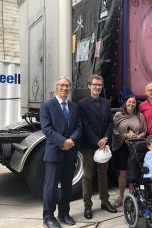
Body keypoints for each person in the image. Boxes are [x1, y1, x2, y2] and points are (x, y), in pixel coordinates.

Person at [40, 77, 81, 228]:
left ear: (70, 89)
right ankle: (48, 217)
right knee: (50, 188)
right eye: (62, 85)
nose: (65, 88)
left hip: (70, 153)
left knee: (67, 186)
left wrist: (71, 141)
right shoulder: (47, 105)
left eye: (67, 86)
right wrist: (63, 142)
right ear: (57, 87)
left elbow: (78, 126)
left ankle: (64, 213)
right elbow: (47, 129)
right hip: (54, 152)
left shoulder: (74, 106)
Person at [78, 74, 117, 220]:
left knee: (103, 174)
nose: (97, 87)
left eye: (99, 85)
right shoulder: (82, 104)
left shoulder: (106, 103)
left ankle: (105, 202)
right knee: (87, 176)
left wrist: (106, 138)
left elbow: (109, 122)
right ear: (89, 86)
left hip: (103, 145)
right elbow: (84, 125)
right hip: (89, 145)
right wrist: (96, 140)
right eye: (94, 84)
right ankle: (87, 206)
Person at [112, 95, 147, 207]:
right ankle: (121, 196)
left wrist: (137, 137)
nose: (131, 104)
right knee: (123, 172)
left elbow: (144, 131)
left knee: (133, 172)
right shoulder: (118, 115)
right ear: (125, 103)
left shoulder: (140, 115)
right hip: (122, 146)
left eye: (133, 102)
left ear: (136, 104)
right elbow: (114, 131)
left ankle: (131, 196)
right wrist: (126, 135)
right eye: (129, 102)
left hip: (135, 146)